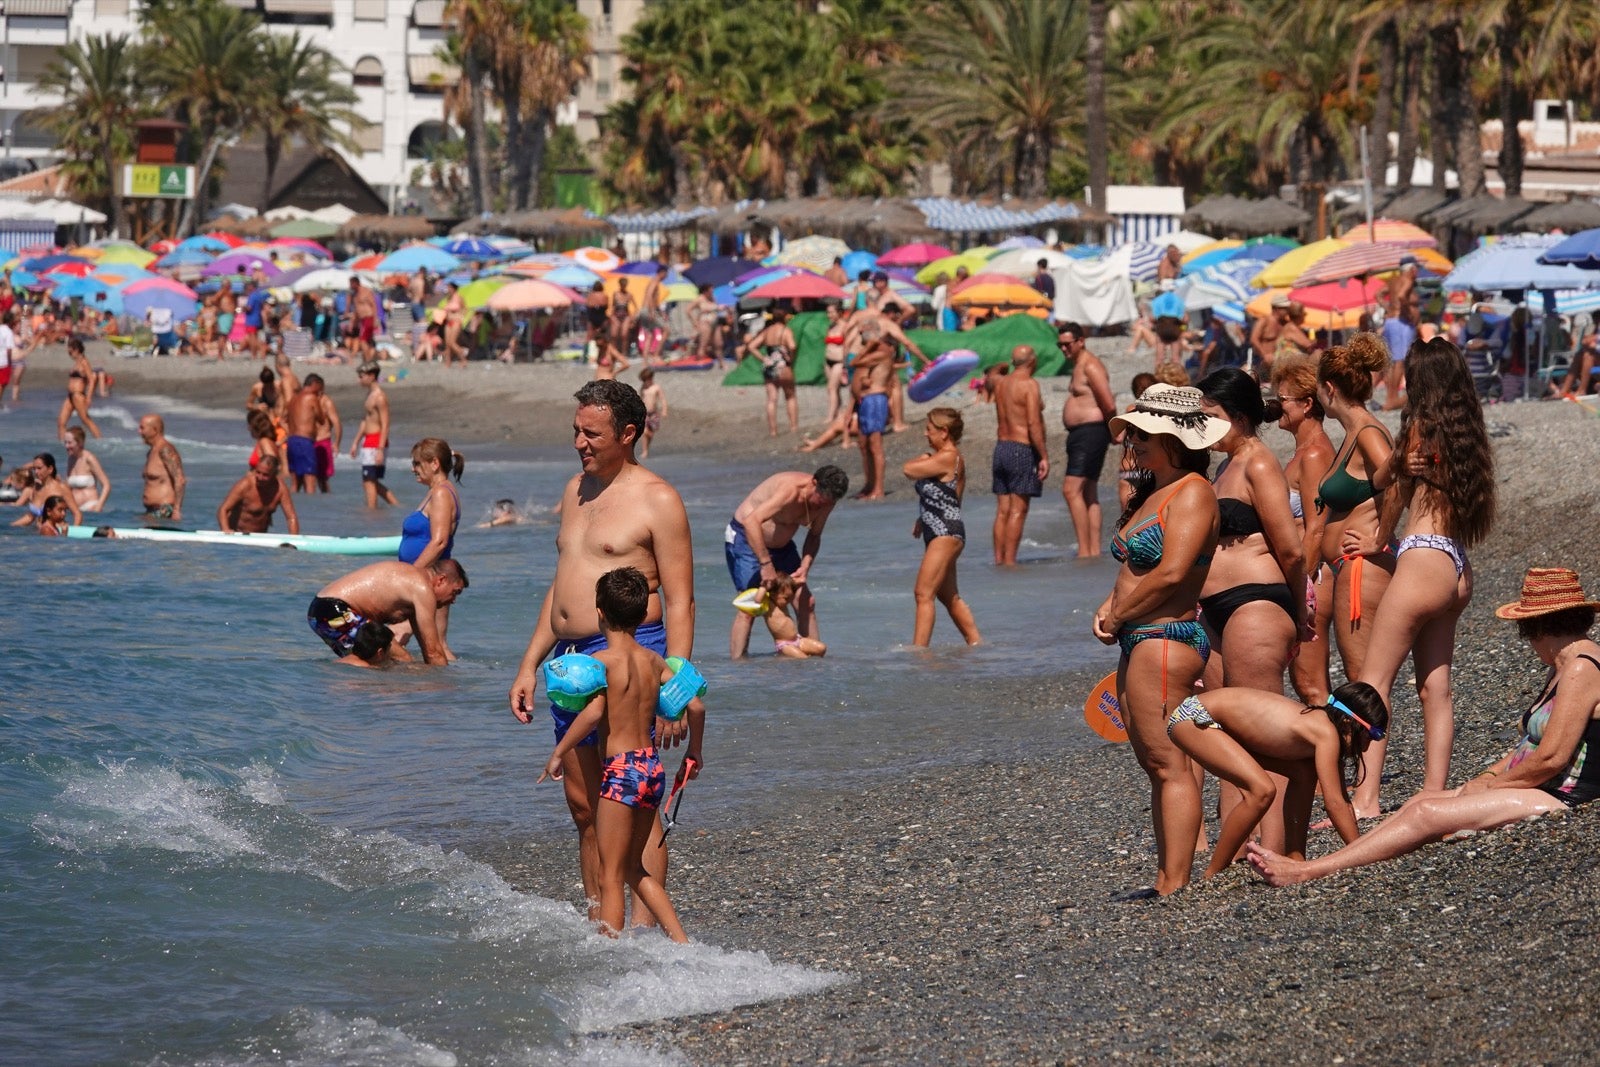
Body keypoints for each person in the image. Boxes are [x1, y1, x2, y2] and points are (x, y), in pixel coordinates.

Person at [1249, 567, 1600, 886]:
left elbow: (1553, 757)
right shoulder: (1564, 664)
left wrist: (1489, 788)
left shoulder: (1583, 668)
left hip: (1561, 795)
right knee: (1423, 800)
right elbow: (1530, 747)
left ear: (1539, 625)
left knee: (1426, 813)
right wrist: (1486, 779)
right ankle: (1344, 858)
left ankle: (1307, 871)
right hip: (1537, 786)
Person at [508, 380, 703, 928]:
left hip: (627, 652)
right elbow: (563, 581)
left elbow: (683, 598)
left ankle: (643, 928)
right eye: (574, 431)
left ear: (628, 433)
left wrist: (676, 687)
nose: (579, 443)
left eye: (590, 433)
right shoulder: (575, 490)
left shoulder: (657, 499)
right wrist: (529, 663)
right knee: (584, 805)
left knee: (632, 802)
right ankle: (600, 923)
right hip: (568, 660)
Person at [1347, 336, 1496, 816]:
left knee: (1373, 683)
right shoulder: (1465, 432)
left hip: (1422, 558)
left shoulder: (1419, 427)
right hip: (1455, 564)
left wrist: (1378, 538)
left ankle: (1365, 799)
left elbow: (1387, 489)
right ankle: (1433, 793)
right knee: (1436, 687)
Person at [1093, 383, 1227, 896]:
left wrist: (1120, 613)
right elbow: (1137, 570)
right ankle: (1166, 876)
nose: (1134, 441)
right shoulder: (1159, 491)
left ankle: (1175, 883)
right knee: (1156, 763)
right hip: (1142, 636)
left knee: (1170, 764)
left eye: (1145, 433)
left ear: (1175, 438)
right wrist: (1109, 610)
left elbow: (1172, 573)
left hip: (1165, 636)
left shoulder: (1193, 491)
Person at [537, 567, 691, 942]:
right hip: (651, 768)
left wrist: (559, 752)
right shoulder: (655, 662)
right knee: (634, 869)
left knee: (611, 874)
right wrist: (695, 752)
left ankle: (609, 950)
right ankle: (683, 943)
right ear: (643, 615)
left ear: (599, 613)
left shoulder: (600, 664)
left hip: (620, 771)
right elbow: (695, 703)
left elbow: (590, 714)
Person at [1167, 681, 1386, 881]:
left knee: (1304, 772)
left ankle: (1295, 857)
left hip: (1215, 723)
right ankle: (1213, 874)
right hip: (1195, 718)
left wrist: (1362, 846)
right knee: (1261, 791)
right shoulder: (1325, 732)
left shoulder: (1327, 731)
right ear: (1348, 722)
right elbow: (1334, 804)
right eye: (1370, 735)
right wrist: (1361, 854)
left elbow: (1342, 801)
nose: (1367, 747)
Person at [1312, 335, 1395, 726]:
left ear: (1329, 388)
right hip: (1349, 568)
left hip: (1362, 567)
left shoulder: (1367, 433)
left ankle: (1368, 784)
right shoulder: (1354, 433)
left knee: (1363, 680)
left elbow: (1397, 480)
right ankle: (1366, 777)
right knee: (1360, 677)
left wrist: (1379, 538)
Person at [726, 465, 848, 658]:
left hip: (782, 547)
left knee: (806, 600)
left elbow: (814, 535)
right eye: (820, 500)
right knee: (750, 606)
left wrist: (805, 566)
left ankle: (813, 668)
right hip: (746, 539)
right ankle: (739, 669)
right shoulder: (789, 491)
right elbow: (751, 522)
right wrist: (766, 565)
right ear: (813, 483)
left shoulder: (828, 500)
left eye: (828, 502)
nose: (821, 506)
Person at [1271, 355, 1336, 705]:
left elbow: (1316, 528)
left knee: (1312, 686)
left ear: (1307, 403)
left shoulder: (1313, 454)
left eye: (1281, 400)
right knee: (1305, 684)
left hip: (1314, 579)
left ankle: (1336, 757)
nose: (1274, 406)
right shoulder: (1302, 452)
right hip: (1305, 578)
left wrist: (1302, 589)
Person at [903, 407, 981, 647]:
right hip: (941, 530)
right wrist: (923, 518)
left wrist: (924, 458)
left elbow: (908, 470)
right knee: (949, 596)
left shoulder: (948, 457)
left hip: (945, 533)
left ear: (944, 432)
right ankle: (977, 644)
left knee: (922, 593)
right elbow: (950, 497)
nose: (926, 435)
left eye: (929, 430)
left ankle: (919, 652)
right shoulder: (943, 458)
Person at [309, 559, 465, 666]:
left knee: (382, 663)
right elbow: (434, 653)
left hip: (322, 610)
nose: (453, 600)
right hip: (334, 610)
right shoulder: (423, 589)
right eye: (455, 592)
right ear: (441, 580)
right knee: (401, 660)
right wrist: (446, 690)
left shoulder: (415, 585)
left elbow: (427, 648)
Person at [399, 437, 465, 660]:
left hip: (430, 581)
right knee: (436, 646)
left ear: (434, 463)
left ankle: (447, 689)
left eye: (418, 463)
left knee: (406, 638)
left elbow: (439, 542)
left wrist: (408, 575)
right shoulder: (438, 491)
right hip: (427, 580)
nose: (413, 469)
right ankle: (441, 690)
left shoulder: (441, 493)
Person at [1058, 322, 1116, 557]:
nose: (1063, 349)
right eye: (1059, 345)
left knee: (1071, 490)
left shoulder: (1090, 365)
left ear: (1081, 341)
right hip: (1084, 433)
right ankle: (1092, 551)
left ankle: (1084, 550)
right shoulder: (1079, 364)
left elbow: (1108, 402)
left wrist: (1116, 430)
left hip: (1091, 432)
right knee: (1088, 491)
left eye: (1067, 344)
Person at [991, 344, 1048, 566]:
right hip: (1021, 448)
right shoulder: (1029, 385)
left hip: (1001, 447)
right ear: (1032, 361)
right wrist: (1043, 455)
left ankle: (998, 560)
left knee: (1002, 510)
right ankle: (1010, 562)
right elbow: (1033, 423)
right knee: (1018, 509)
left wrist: (1001, 366)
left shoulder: (1001, 384)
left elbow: (992, 374)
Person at [740, 308, 799, 437]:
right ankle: (793, 427)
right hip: (783, 365)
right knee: (790, 396)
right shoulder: (786, 330)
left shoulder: (767, 331)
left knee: (771, 399)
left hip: (770, 365)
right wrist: (791, 357)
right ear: (784, 318)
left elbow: (751, 346)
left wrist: (763, 358)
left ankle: (773, 431)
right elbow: (792, 346)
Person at [350, 361, 401, 509]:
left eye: (362, 376)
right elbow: (366, 421)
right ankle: (396, 506)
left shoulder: (379, 397)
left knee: (369, 480)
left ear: (372, 376)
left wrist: (379, 449)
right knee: (370, 480)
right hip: (369, 441)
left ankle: (371, 512)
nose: (359, 380)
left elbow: (385, 424)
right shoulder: (370, 395)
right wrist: (355, 442)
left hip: (376, 441)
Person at [217, 454, 300, 534]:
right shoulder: (245, 485)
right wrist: (226, 531)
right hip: (238, 536)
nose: (260, 477)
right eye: (258, 472)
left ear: (274, 474)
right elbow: (223, 510)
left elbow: (291, 518)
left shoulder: (281, 489)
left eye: (265, 475)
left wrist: (294, 541)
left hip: (260, 539)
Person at [751, 573, 829, 658]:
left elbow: (792, 583)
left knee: (821, 648)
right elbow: (757, 600)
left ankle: (819, 667)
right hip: (785, 645)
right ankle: (787, 659)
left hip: (798, 639)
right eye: (786, 598)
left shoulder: (782, 602)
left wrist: (798, 579)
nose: (790, 600)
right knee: (803, 658)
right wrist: (764, 587)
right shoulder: (769, 605)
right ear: (773, 594)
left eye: (791, 597)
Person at [10, 453, 82, 528]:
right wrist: (11, 526)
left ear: (50, 469)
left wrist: (72, 531)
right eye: (34, 469)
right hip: (40, 534)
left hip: (57, 534)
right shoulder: (36, 488)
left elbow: (77, 514)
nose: (36, 472)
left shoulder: (62, 488)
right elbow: (30, 517)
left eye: (39, 468)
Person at [138, 414, 185, 522]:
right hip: (151, 510)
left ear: (155, 430)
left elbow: (180, 479)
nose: (139, 432)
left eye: (142, 428)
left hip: (165, 510)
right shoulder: (151, 452)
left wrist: (176, 510)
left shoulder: (165, 450)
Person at [56, 337, 102, 440]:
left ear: (76, 349)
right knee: (61, 421)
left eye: (70, 350)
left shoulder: (84, 362)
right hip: (70, 396)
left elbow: (91, 379)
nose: (69, 353)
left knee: (85, 419)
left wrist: (89, 397)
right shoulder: (76, 363)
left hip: (78, 394)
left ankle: (100, 440)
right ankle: (62, 443)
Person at [62, 425, 110, 514]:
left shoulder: (89, 458)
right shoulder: (71, 459)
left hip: (90, 508)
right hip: (75, 510)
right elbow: (68, 487)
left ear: (79, 443)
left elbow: (106, 485)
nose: (66, 446)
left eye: (69, 443)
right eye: (65, 442)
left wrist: (98, 506)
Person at [347, 277, 379, 362]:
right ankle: (368, 359)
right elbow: (356, 310)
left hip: (369, 317)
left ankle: (368, 361)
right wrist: (352, 323)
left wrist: (376, 319)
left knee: (363, 340)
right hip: (362, 320)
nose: (350, 286)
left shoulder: (366, 291)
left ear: (356, 283)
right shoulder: (354, 294)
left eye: (351, 284)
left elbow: (374, 305)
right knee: (368, 340)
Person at [638, 366, 665, 459]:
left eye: (646, 380)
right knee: (645, 432)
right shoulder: (643, 388)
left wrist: (664, 410)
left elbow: (662, 399)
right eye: (643, 381)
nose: (645, 383)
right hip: (645, 413)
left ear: (650, 378)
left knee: (651, 433)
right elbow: (641, 398)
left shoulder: (656, 388)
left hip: (653, 413)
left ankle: (647, 449)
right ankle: (644, 451)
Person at [0, 307, 16, 403]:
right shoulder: (9, 332)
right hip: (4, 361)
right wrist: (10, 362)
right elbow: (9, 350)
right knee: (3, 383)